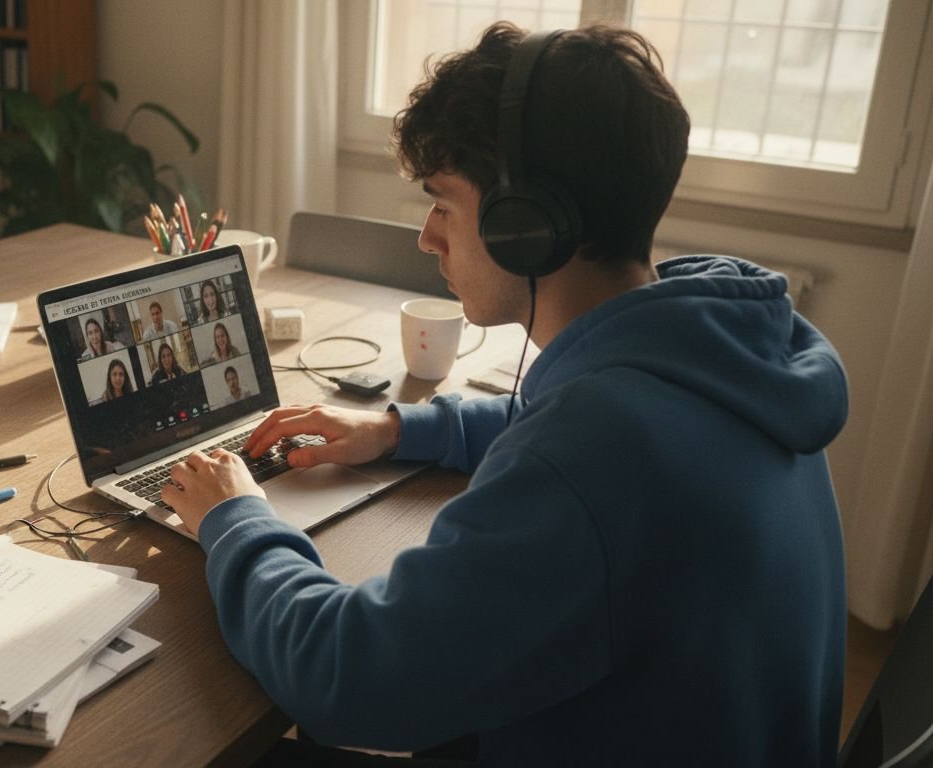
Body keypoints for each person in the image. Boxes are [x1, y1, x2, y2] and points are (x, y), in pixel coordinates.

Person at [161, 22, 848, 767]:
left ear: (529, 228)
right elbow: (573, 433)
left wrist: (235, 521)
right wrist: (398, 431)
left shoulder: (595, 454)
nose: (427, 237)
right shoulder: (723, 351)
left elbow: (347, 676)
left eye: (444, 204)